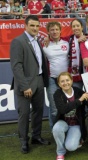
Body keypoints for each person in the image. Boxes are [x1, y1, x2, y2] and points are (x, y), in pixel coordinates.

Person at [10, 15, 51, 154]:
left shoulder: (37, 41)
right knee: (24, 113)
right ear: (25, 26)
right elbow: (16, 67)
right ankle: (23, 141)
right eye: (32, 25)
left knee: (38, 111)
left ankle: (36, 136)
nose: (35, 28)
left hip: (39, 81)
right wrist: (25, 86)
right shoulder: (18, 41)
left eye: (37, 26)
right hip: (25, 85)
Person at [43, 21, 69, 129]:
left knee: (67, 107)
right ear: (48, 32)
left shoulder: (67, 42)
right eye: (52, 30)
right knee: (54, 107)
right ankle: (55, 131)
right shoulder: (44, 45)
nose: (54, 32)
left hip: (67, 80)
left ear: (60, 30)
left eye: (56, 29)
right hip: (52, 79)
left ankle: (67, 128)